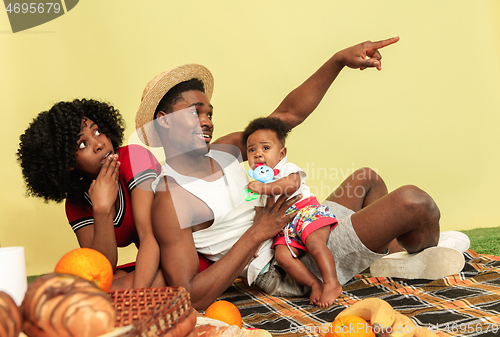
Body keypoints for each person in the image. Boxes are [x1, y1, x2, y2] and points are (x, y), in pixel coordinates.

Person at [135, 37, 465, 310]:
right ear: (163, 120)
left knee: (367, 179)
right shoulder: (171, 197)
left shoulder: (224, 150)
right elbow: (190, 296)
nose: (207, 121)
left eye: (209, 113)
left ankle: (395, 257)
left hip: (302, 226)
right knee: (414, 201)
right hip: (287, 262)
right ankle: (423, 250)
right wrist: (257, 232)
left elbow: (287, 114)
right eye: (195, 113)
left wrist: (337, 61)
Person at [17, 99, 165, 290]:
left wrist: (136, 292)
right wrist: (102, 210)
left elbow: (149, 236)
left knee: (102, 290)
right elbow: (101, 267)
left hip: (185, 249)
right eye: (82, 144)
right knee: (90, 285)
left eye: (97, 132)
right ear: (68, 163)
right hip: (153, 259)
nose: (99, 144)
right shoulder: (76, 203)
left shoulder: (134, 158)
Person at [242, 117, 341, 307]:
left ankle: (332, 282)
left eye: (265, 148)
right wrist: (255, 242)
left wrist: (265, 188)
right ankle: (315, 283)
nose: (258, 154)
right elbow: (259, 216)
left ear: (282, 154)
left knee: (314, 242)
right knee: (282, 256)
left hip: (306, 214)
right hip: (286, 229)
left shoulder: (286, 169)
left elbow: (291, 184)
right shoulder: (257, 186)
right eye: (251, 150)